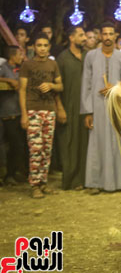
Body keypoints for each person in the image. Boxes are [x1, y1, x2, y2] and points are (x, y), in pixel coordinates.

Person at [81, 22, 121, 194]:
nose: (107, 37)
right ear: (100, 37)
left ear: (115, 36)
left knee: (119, 143)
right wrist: (87, 111)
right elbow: (86, 85)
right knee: (97, 143)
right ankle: (96, 183)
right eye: (104, 34)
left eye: (110, 34)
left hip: (116, 107)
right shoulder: (91, 56)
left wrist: (116, 88)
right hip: (97, 107)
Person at [19, 33, 64, 198]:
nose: (42, 48)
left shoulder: (53, 64)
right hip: (33, 110)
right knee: (35, 149)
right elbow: (22, 90)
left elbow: (60, 86)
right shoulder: (27, 65)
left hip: (49, 110)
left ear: (49, 47)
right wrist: (24, 114)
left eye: (45, 45)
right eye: (39, 45)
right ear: (34, 47)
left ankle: (43, 182)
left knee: (46, 149)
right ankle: (34, 185)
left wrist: (51, 85)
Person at [55, 26, 89, 190]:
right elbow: (56, 86)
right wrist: (59, 108)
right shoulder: (62, 59)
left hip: (85, 108)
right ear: (71, 37)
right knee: (68, 143)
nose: (84, 38)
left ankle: (82, 180)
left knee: (84, 144)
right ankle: (70, 180)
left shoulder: (87, 56)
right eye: (81, 35)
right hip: (68, 106)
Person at [0, 46, 28, 185]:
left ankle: (15, 172)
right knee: (14, 145)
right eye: (19, 54)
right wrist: (8, 81)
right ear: (12, 56)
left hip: (19, 113)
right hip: (8, 114)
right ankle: (9, 175)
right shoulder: (4, 68)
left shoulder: (19, 69)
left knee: (19, 145)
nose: (21, 57)